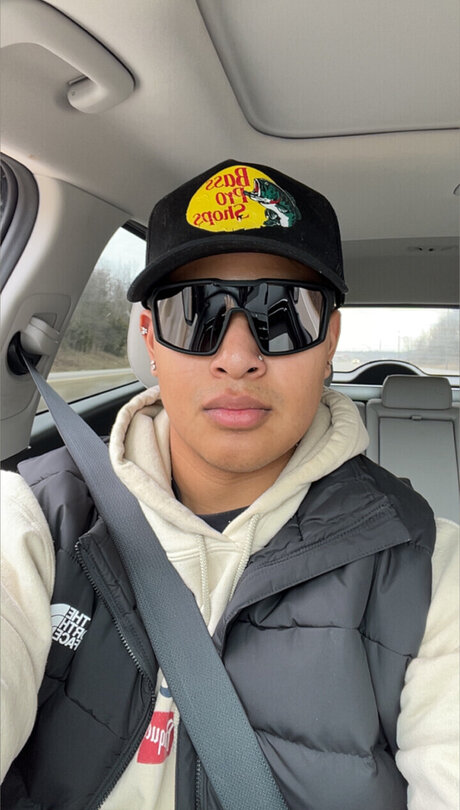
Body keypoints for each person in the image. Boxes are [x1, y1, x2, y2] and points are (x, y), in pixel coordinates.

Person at [1, 159, 458, 810]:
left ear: (330, 340)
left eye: (283, 313)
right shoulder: (34, 521)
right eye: (196, 313)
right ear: (151, 340)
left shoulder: (431, 571)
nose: (238, 357)